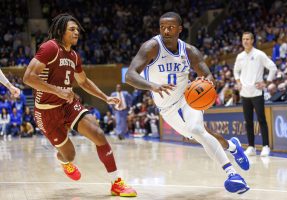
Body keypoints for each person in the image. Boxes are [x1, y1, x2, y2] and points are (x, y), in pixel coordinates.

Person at [126, 11, 250, 194]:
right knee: (200, 134)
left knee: (196, 130)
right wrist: (152, 86)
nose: (166, 31)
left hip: (187, 98)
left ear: (180, 29)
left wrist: (203, 86)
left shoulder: (189, 51)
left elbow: (208, 75)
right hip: (166, 107)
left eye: (171, 27)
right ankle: (232, 146)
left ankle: (232, 175)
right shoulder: (151, 47)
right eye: (162, 27)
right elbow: (130, 75)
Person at [23, 13, 136, 197]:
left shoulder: (74, 56)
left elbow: (83, 82)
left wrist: (105, 97)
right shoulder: (50, 48)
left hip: (68, 105)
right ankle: (63, 160)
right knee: (70, 155)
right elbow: (28, 77)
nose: (77, 32)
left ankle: (116, 182)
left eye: (77, 30)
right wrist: (58, 91)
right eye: (72, 29)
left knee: (98, 134)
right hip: (46, 112)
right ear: (61, 31)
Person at [234, 32, 277, 157]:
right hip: (244, 93)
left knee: (261, 120)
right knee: (248, 122)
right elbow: (236, 70)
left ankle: (265, 147)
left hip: (257, 92)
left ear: (252, 40)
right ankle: (251, 147)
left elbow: (273, 67)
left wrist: (267, 82)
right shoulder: (240, 56)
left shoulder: (259, 54)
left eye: (248, 39)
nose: (245, 41)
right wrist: (238, 81)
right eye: (243, 39)